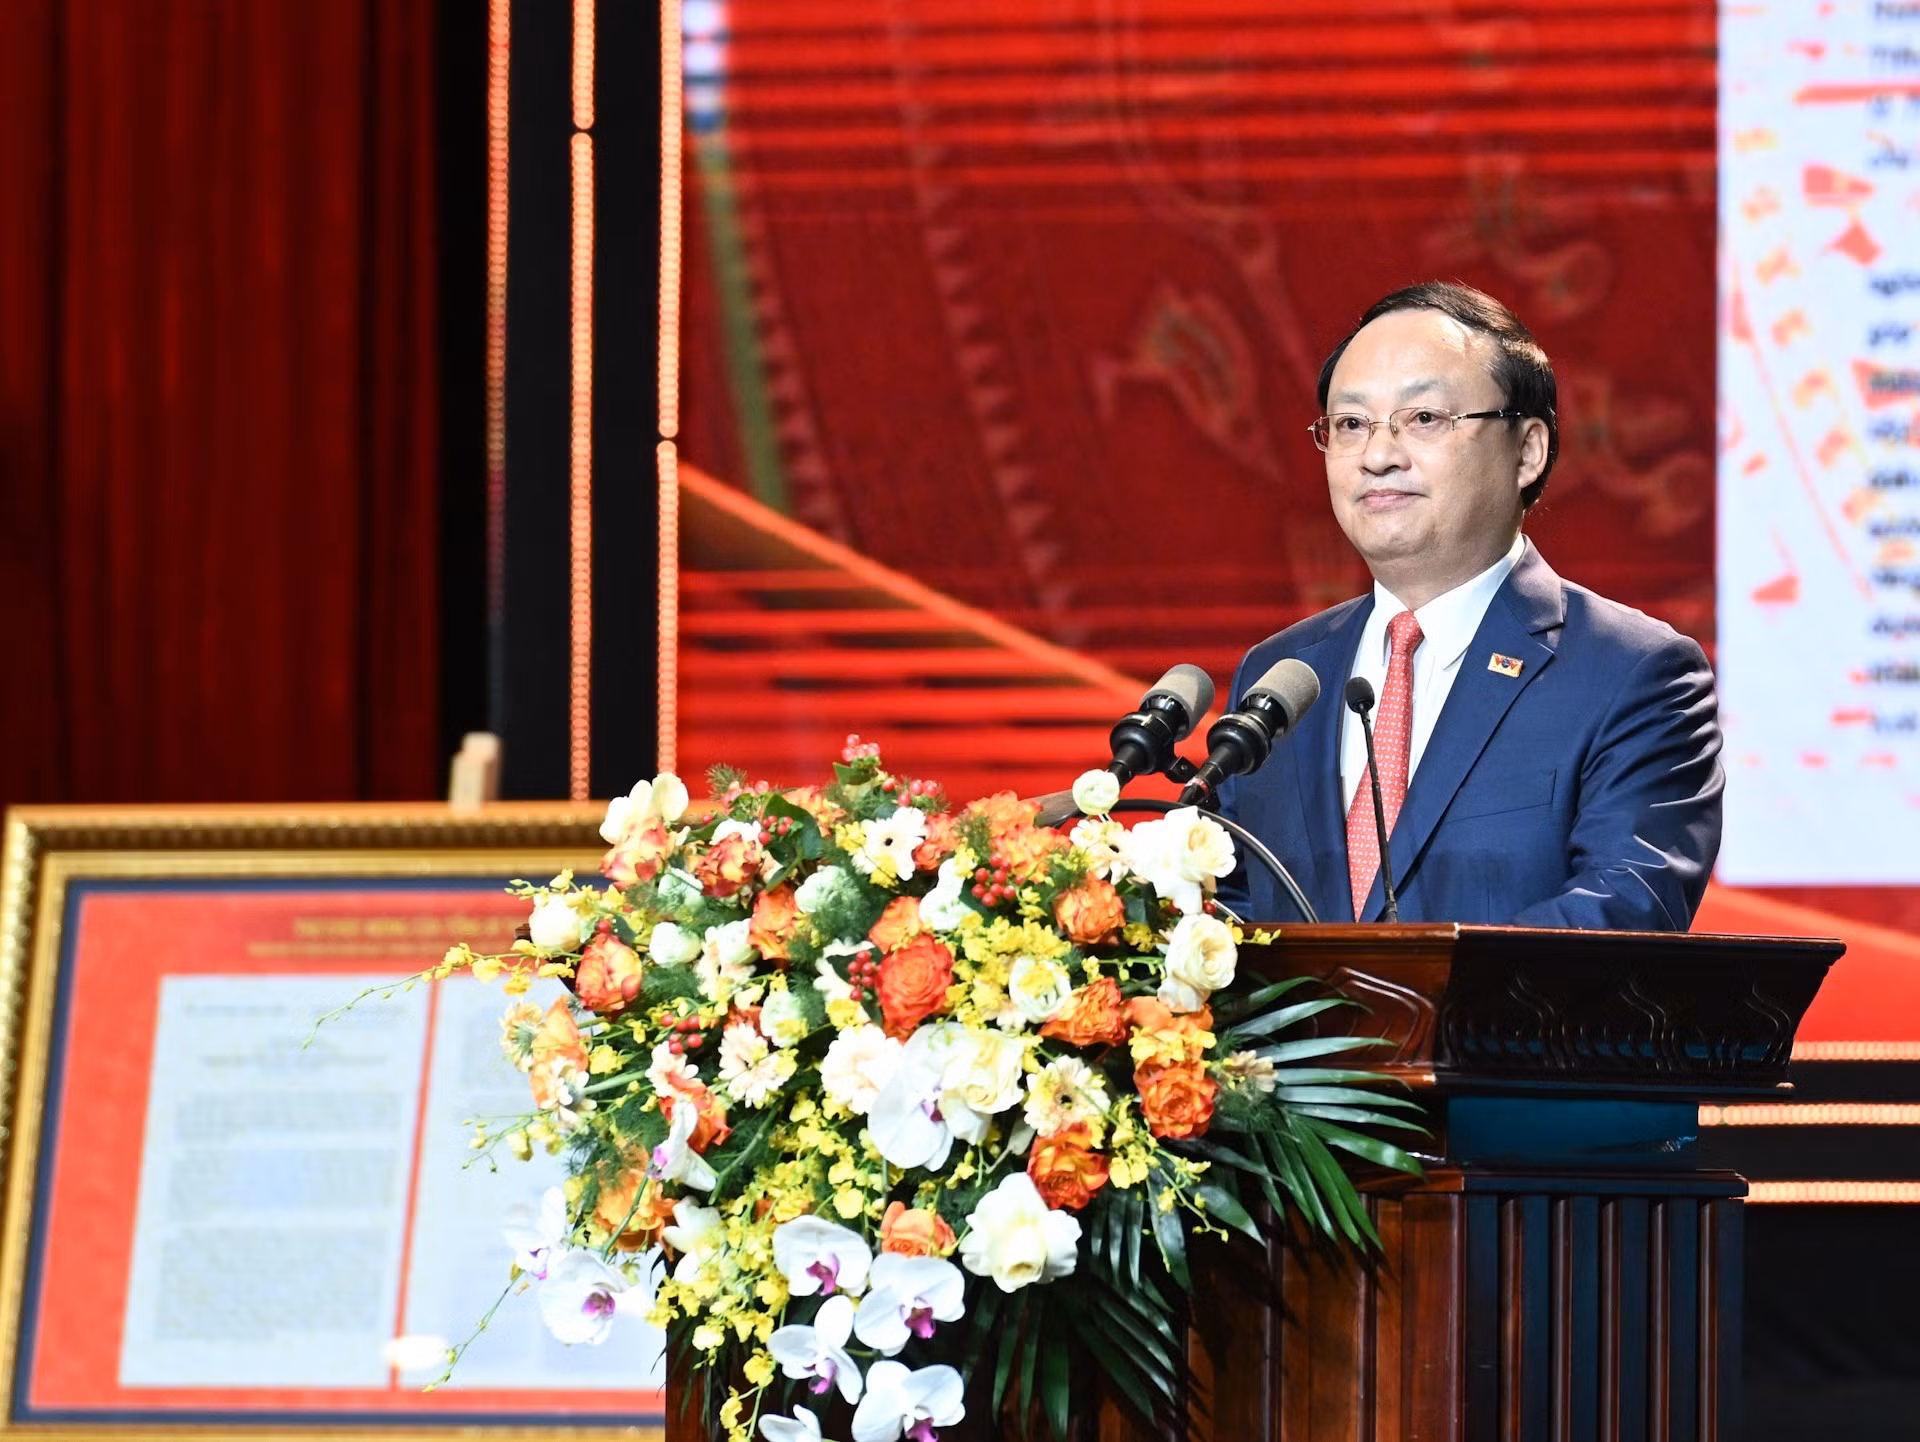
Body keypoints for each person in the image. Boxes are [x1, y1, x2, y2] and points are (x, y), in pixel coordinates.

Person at [1215, 281, 1722, 929]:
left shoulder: (1633, 674)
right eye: (1349, 425)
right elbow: (1223, 902)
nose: (1378, 456)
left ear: (1528, 450)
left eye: (1424, 419)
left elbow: (1622, 916)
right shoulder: (1284, 674)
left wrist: (1402, 1000)